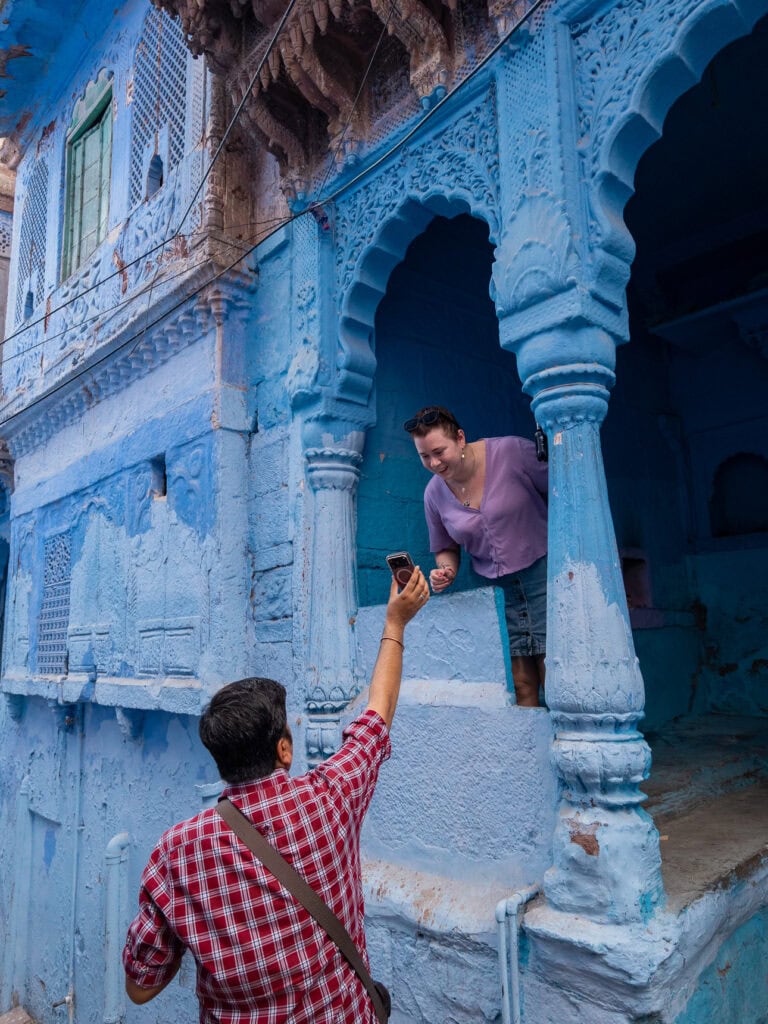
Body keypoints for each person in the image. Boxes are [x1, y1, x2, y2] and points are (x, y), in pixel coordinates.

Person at [122, 567, 430, 1023]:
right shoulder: (330, 800)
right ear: (284, 749)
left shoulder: (177, 853)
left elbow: (140, 988)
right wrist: (395, 623)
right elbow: (377, 714)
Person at [404, 405, 547, 707]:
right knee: (521, 684)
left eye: (439, 451)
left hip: (544, 576)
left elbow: (563, 490)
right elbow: (445, 547)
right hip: (497, 592)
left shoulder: (512, 452)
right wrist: (445, 571)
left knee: (554, 672)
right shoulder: (433, 494)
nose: (434, 462)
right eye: (424, 457)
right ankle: (529, 754)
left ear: (460, 438)